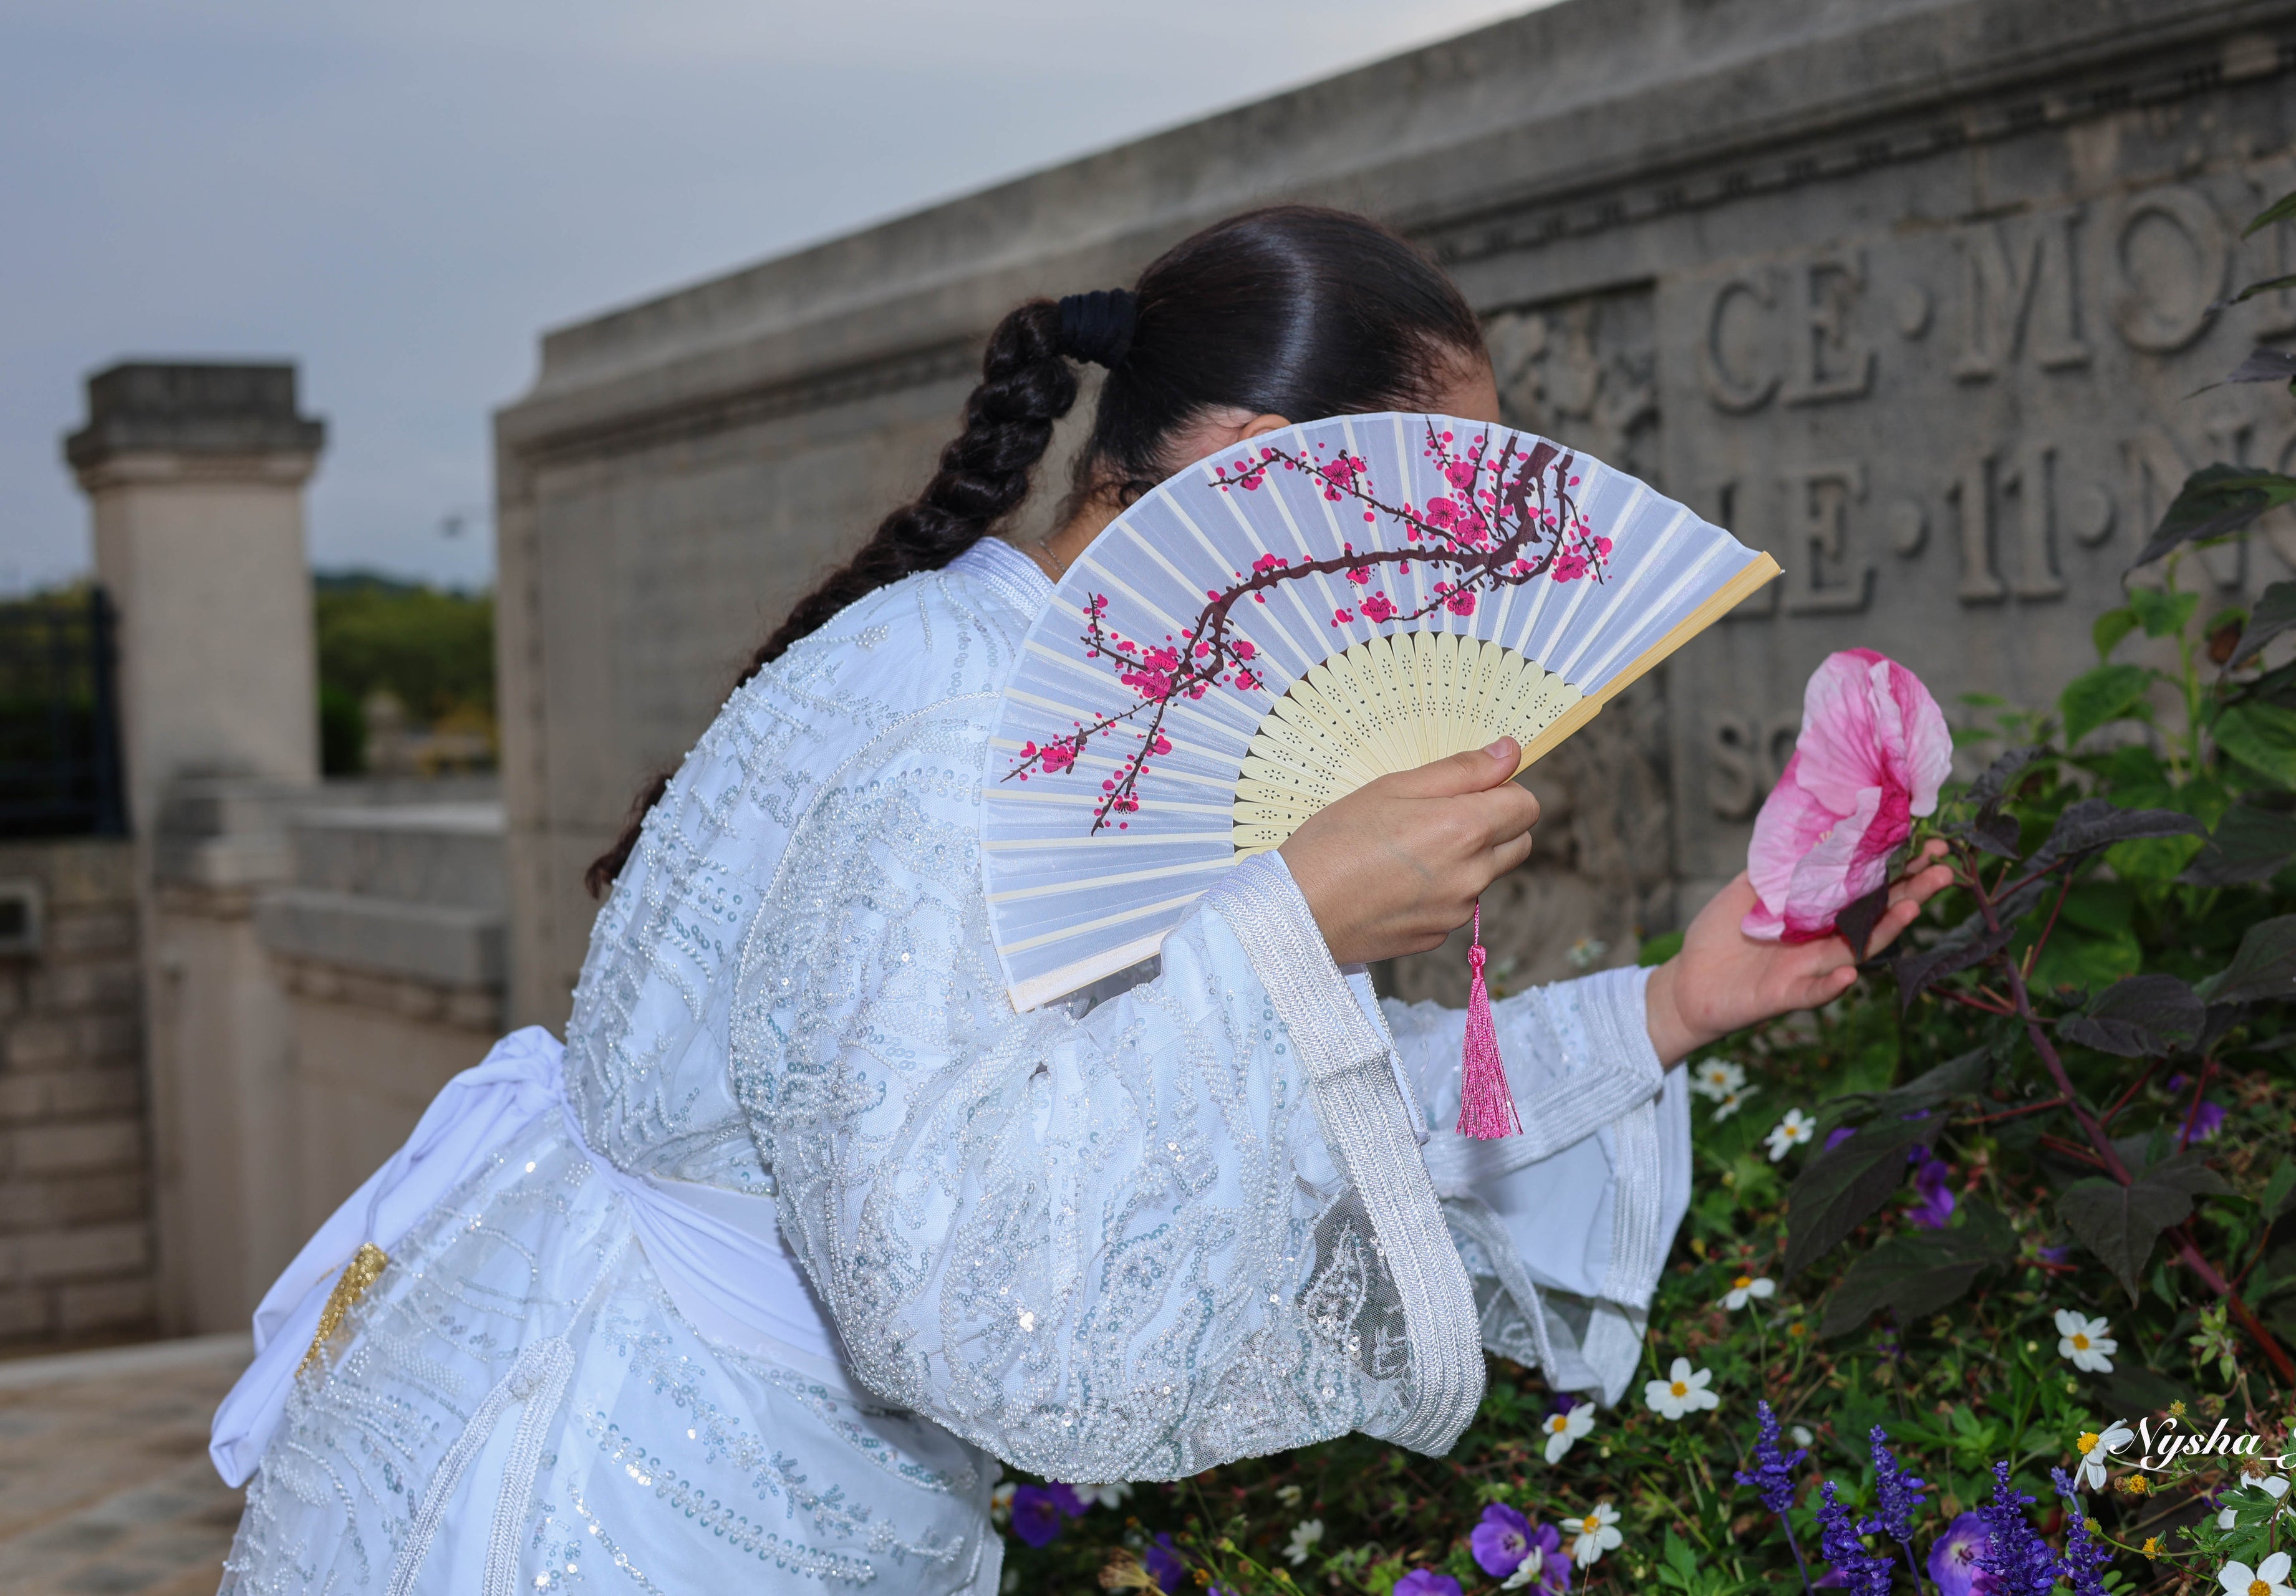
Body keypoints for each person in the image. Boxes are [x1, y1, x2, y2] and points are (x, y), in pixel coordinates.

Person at [214, 207, 1949, 1595]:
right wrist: (1289, 928)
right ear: (1260, 470)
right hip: (637, 1499)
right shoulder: (956, 724)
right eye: (1430, 503)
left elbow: (1246, 1111)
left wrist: (1672, 1005)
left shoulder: (1101, 700)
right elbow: (952, 1278)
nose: (1453, 563)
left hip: (783, 1470)